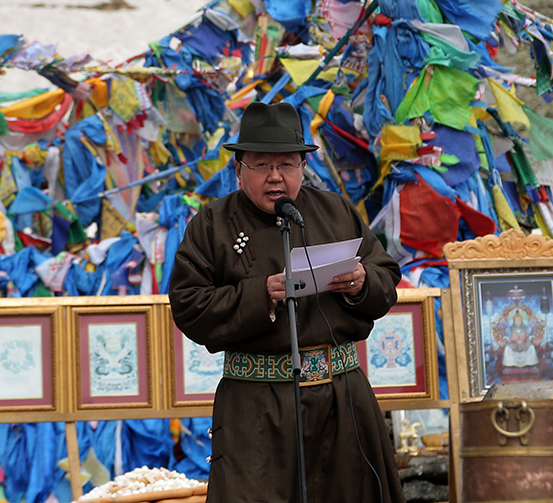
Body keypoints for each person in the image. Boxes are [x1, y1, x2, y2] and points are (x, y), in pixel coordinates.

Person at [168, 101, 406, 503]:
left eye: (288, 165)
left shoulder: (335, 211)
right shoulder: (212, 224)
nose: (276, 177)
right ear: (239, 169)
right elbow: (189, 304)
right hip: (256, 405)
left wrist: (362, 283)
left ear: (302, 167)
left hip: (341, 398)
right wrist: (261, 294)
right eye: (262, 165)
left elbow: (387, 278)